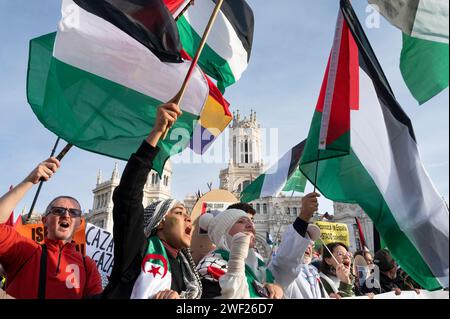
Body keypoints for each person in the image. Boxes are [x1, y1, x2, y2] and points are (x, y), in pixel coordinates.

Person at [102, 103, 202, 299]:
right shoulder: (136, 250)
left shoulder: (188, 274)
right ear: (160, 222)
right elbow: (127, 197)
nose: (189, 220)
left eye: (188, 215)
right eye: (180, 213)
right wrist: (156, 132)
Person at [0, 161, 103, 299]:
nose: (66, 215)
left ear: (79, 223)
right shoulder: (25, 250)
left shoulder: (87, 265)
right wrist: (29, 180)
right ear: (44, 220)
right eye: (58, 210)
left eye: (74, 213)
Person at [197, 209, 283, 299]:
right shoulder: (210, 265)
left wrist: (277, 289)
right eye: (241, 221)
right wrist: (236, 261)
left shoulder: (260, 267)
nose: (250, 225)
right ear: (224, 233)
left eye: (251, 222)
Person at [268, 192, 329, 299]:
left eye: (310, 242)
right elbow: (288, 257)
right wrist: (305, 214)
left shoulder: (314, 273)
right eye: (304, 240)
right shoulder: (283, 270)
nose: (308, 245)